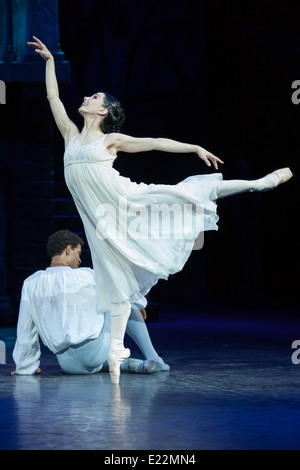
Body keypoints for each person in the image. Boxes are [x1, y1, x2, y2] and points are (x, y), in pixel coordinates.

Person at [27, 36, 293, 384]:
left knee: (182, 194)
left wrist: (194, 146)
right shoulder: (70, 135)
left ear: (103, 111)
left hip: (126, 200)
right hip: (102, 221)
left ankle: (258, 184)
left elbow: (154, 143)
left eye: (94, 98)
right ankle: (115, 351)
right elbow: (52, 97)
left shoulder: (109, 140)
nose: (86, 98)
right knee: (115, 281)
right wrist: (49, 61)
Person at [12, 230, 169, 379]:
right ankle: (154, 358)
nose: (80, 259)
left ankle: (123, 364)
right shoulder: (87, 276)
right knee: (125, 304)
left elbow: (26, 330)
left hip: (67, 364)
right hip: (95, 352)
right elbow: (124, 289)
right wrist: (139, 304)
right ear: (68, 250)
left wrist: (25, 367)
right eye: (78, 253)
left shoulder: (31, 283)